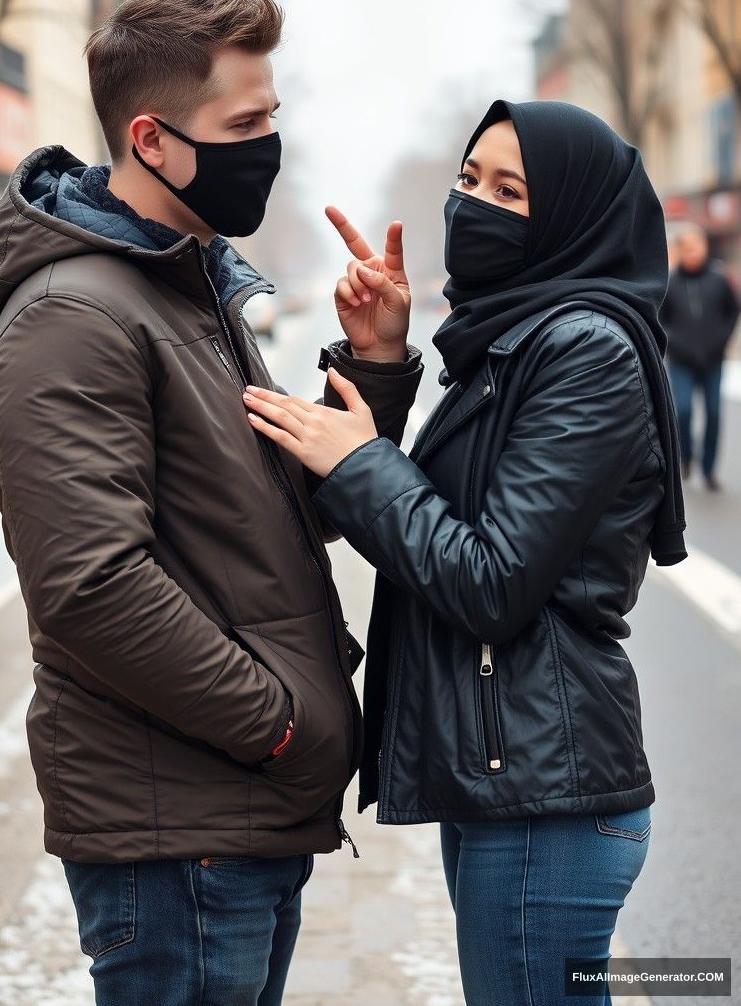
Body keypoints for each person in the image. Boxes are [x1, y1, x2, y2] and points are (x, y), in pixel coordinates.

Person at [0, 0, 423, 1006]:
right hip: (182, 833)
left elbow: (267, 519)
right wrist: (283, 726)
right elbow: (92, 586)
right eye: (244, 125)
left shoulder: (180, 283)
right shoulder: (75, 315)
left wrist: (374, 366)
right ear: (152, 138)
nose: (268, 146)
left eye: (272, 120)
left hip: (229, 814)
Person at [244, 100, 687, 1006]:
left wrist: (362, 463)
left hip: (547, 797)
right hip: (517, 779)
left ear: (571, 213)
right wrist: (384, 361)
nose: (473, 204)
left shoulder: (585, 349)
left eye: (510, 189)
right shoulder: (515, 340)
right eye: (469, 178)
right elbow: (453, 517)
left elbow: (489, 580)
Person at [661, 223, 739, 490]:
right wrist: (675, 343)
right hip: (681, 360)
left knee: (714, 413)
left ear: (704, 247)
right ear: (680, 251)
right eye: (687, 248)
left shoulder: (719, 279)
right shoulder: (669, 281)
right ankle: (687, 459)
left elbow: (732, 312)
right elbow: (661, 319)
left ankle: (708, 469)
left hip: (713, 359)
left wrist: (722, 340)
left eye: (696, 247)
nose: (692, 253)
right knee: (682, 410)